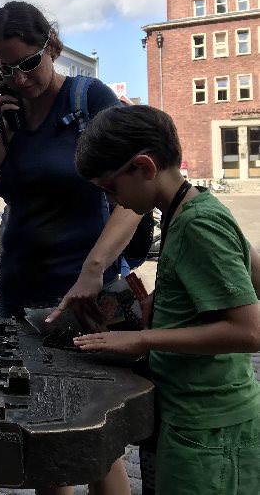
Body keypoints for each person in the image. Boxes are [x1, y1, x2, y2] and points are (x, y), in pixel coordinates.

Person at [0, 1, 136, 494]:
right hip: (19, 285)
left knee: (96, 439)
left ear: (52, 49)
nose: (17, 79)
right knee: (40, 427)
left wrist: (93, 272)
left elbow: (134, 196)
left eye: (26, 65)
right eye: (2, 69)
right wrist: (3, 137)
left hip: (86, 287)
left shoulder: (89, 99)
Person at [73, 105, 260, 495]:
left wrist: (143, 339)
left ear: (143, 167)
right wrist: (164, 306)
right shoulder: (186, 210)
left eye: (110, 187)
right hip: (191, 415)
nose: (112, 201)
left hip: (208, 427)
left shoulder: (197, 223)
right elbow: (243, 274)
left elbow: (249, 331)